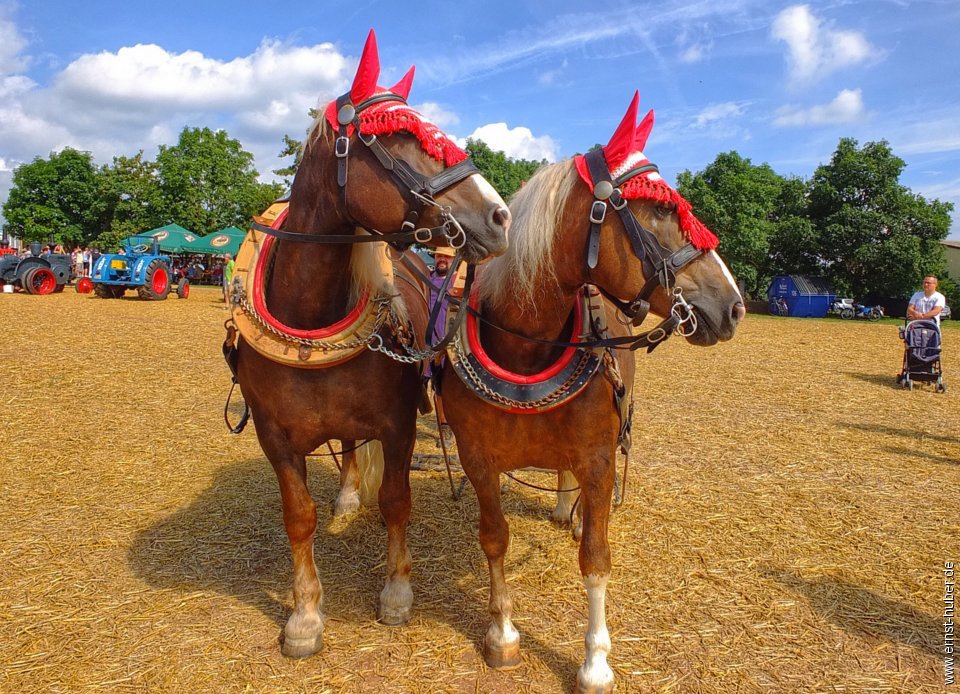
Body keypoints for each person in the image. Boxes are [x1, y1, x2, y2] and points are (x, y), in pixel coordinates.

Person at [427, 247, 457, 448]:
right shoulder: (425, 279)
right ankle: (444, 427)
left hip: (453, 343)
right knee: (437, 387)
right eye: (439, 255)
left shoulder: (459, 281)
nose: (442, 259)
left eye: (447, 256)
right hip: (429, 342)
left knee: (452, 387)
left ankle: (454, 426)